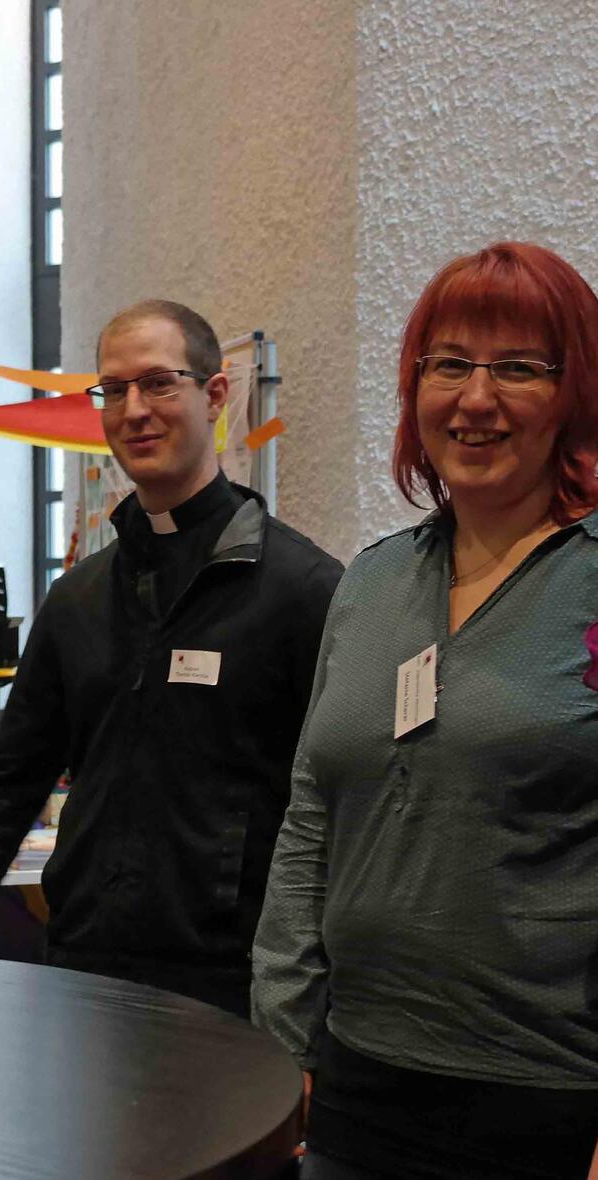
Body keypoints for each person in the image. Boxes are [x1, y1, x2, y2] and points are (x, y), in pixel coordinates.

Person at [251, 242, 598, 1179]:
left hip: (552, 1101)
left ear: (574, 393)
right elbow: (312, 816)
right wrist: (284, 1036)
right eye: (449, 365)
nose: (476, 398)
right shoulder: (371, 583)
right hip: (356, 1086)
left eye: (518, 368)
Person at [0, 300, 343, 1016]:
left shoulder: (301, 590)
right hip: (85, 968)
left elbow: (338, 808)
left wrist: (320, 991)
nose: (134, 410)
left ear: (215, 395)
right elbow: (12, 785)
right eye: (113, 390)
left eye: (159, 383)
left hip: (235, 985)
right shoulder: (79, 599)